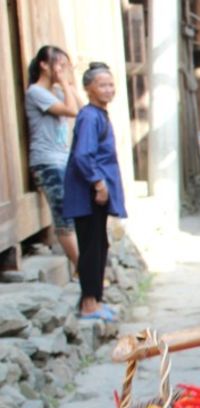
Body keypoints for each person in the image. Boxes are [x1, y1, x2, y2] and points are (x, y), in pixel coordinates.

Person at [63, 62, 125, 321]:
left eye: (111, 84)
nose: (108, 89)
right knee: (90, 247)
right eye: (102, 85)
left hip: (94, 192)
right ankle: (89, 303)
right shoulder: (89, 116)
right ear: (88, 88)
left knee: (99, 244)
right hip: (88, 193)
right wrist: (98, 184)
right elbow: (83, 155)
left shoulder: (99, 114)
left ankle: (95, 300)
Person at [25, 45, 80, 272]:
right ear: (44, 65)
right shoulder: (36, 92)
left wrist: (68, 82)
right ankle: (82, 269)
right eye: (59, 64)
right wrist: (65, 84)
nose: (63, 69)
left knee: (72, 215)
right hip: (47, 162)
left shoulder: (57, 92)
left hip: (62, 161)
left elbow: (81, 107)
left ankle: (82, 270)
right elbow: (71, 111)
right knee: (63, 217)